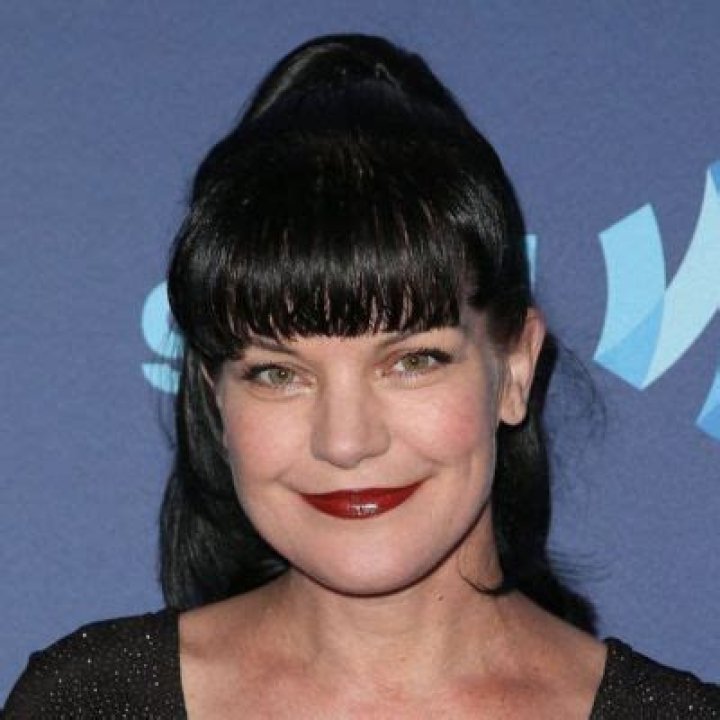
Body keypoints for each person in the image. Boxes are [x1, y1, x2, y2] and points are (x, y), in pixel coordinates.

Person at [4, 33, 719, 719]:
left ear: (514, 368)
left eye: (412, 361)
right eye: (278, 373)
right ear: (216, 398)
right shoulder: (88, 702)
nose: (345, 442)